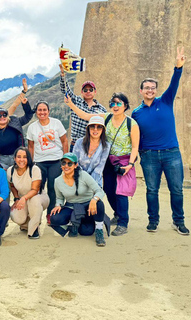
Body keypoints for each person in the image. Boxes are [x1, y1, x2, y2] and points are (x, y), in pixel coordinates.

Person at [64, 93, 139, 237]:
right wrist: (71, 104)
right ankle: (118, 214)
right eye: (113, 103)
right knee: (109, 190)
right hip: (108, 160)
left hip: (124, 161)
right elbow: (86, 116)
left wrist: (130, 164)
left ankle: (123, 223)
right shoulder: (106, 117)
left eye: (119, 103)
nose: (115, 106)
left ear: (125, 106)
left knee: (121, 192)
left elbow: (135, 146)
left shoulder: (132, 124)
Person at [132, 47, 189, 235]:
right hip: (149, 157)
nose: (150, 90)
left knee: (177, 190)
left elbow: (174, 84)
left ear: (156, 90)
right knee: (151, 190)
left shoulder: (165, 101)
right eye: (147, 88)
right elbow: (135, 135)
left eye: (153, 88)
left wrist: (178, 67)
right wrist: (139, 153)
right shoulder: (136, 113)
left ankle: (178, 221)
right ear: (141, 91)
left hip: (171, 153)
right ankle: (153, 221)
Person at [50, 153, 107, 247]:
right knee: (54, 218)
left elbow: (99, 191)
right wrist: (58, 205)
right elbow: (60, 198)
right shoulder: (57, 181)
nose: (66, 166)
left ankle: (99, 230)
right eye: (64, 163)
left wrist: (94, 199)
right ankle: (73, 224)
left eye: (69, 163)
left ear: (75, 165)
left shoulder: (83, 175)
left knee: (99, 205)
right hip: (71, 207)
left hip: (88, 206)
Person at [27, 101, 68, 222]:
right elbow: (31, 146)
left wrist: (65, 159)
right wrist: (31, 163)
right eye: (39, 110)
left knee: (52, 188)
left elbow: (64, 140)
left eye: (44, 110)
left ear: (49, 111)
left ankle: (51, 214)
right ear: (36, 112)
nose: (42, 112)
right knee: (37, 188)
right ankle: (36, 214)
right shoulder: (32, 127)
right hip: (39, 161)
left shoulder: (57, 123)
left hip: (56, 160)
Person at [59, 64, 106, 152]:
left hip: (92, 146)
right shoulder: (76, 101)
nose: (88, 91)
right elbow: (65, 90)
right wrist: (63, 76)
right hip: (75, 145)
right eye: (85, 90)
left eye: (90, 90)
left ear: (95, 91)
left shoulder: (102, 110)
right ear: (81, 92)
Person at [8, 147, 50, 239]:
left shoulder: (34, 169)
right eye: (19, 157)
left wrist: (23, 198)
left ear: (28, 159)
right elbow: (12, 186)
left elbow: (35, 190)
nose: (21, 160)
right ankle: (27, 224)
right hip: (22, 198)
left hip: (39, 197)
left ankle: (34, 229)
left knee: (34, 201)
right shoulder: (10, 170)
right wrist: (16, 198)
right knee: (17, 217)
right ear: (14, 158)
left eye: (25, 157)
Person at [0, 96, 35, 170]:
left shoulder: (15, 122)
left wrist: (25, 104)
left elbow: (28, 116)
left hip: (17, 157)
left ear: (8, 116)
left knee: (17, 179)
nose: (2, 117)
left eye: (4, 115)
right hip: (2, 161)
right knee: (4, 180)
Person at [72, 116, 110, 187]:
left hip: (95, 183)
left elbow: (99, 168)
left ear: (103, 130)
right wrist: (82, 179)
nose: (95, 130)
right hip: (78, 181)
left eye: (99, 127)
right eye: (92, 126)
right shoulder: (79, 142)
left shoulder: (106, 146)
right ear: (88, 129)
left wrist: (89, 183)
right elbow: (74, 162)